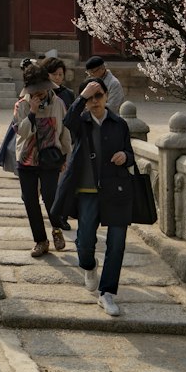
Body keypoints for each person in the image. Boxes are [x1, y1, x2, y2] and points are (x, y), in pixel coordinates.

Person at [51, 78, 136, 317]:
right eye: (90, 97)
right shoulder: (82, 122)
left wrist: (124, 156)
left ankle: (107, 293)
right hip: (87, 192)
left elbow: (130, 153)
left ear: (107, 96)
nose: (95, 101)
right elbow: (67, 121)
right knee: (85, 241)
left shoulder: (119, 123)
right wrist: (82, 97)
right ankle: (88, 266)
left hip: (116, 191)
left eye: (99, 95)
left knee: (117, 243)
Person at [13, 63, 71, 257]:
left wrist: (65, 156)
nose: (40, 93)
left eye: (43, 88)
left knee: (50, 197)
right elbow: (21, 132)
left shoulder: (59, 103)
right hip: (26, 159)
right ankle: (40, 240)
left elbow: (64, 132)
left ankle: (56, 230)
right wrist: (32, 111)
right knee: (30, 200)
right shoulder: (21, 105)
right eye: (35, 90)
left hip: (50, 158)